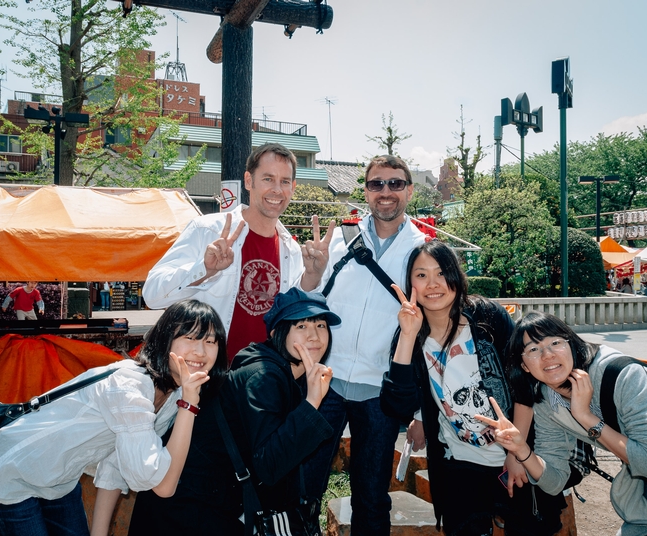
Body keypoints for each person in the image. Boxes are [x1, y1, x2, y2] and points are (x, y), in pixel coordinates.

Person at [0, 299, 228, 536]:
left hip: (57, 483)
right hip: (9, 474)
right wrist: (189, 404)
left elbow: (115, 466)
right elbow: (162, 486)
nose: (201, 352)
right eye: (190, 338)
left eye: (211, 341)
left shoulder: (172, 396)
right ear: (165, 339)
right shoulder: (131, 387)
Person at [379, 242, 565, 535]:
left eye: (441, 273)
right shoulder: (410, 334)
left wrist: (517, 454)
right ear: (409, 283)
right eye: (422, 275)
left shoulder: (488, 318)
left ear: (456, 275)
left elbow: (523, 386)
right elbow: (396, 406)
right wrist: (407, 335)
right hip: (459, 463)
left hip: (517, 455)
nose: (433, 284)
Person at [478, 312, 647, 536]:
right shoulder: (548, 402)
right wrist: (522, 451)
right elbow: (555, 481)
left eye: (555, 343)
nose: (547, 354)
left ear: (570, 344)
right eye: (533, 349)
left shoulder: (622, 374)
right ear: (524, 366)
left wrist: (587, 418)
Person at [127, 288, 338, 536]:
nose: (314, 336)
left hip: (203, 506)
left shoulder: (282, 373)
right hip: (185, 511)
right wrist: (312, 401)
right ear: (277, 332)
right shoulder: (265, 376)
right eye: (301, 327)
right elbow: (269, 466)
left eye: (321, 325)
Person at [299, 154, 426, 534]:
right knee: (304, 486)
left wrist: (420, 412)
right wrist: (312, 273)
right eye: (376, 184)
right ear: (365, 191)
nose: (385, 192)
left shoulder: (424, 252)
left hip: (380, 392)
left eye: (395, 183)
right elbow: (305, 303)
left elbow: (433, 332)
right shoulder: (340, 240)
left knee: (371, 497)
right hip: (325, 383)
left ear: (409, 190)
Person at [143, 143, 306, 361]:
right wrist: (205, 270)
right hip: (206, 375)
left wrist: (313, 278)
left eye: (284, 181)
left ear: (293, 187)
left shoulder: (292, 250)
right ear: (249, 181)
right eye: (268, 179)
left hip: (263, 379)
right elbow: (152, 295)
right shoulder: (207, 230)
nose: (277, 189)